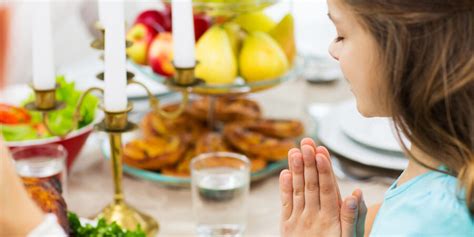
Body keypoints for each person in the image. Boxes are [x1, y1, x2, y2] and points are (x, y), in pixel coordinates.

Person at [279, 0, 474, 236]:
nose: (332, 49)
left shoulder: (430, 220)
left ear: (402, 47)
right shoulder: (441, 164)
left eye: (341, 35)